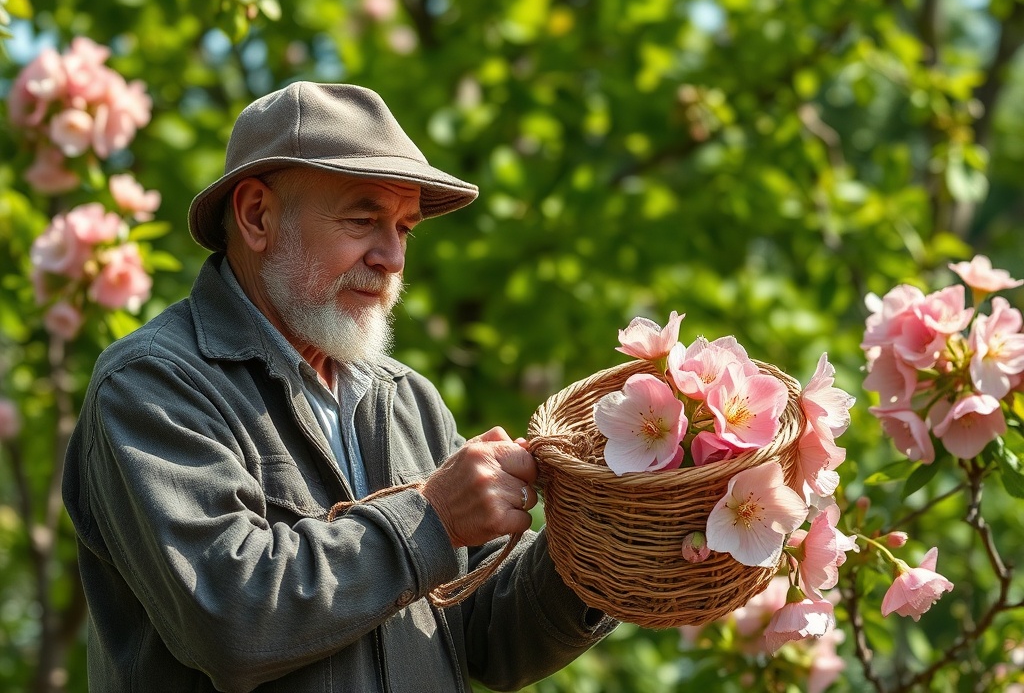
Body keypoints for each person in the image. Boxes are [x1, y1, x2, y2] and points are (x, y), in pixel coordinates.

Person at [62, 82, 617, 692]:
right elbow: (228, 619)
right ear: (256, 216)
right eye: (363, 219)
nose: (392, 258)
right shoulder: (153, 383)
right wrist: (431, 519)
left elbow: (491, 636)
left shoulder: (408, 399)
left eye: (404, 228)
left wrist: (612, 540)